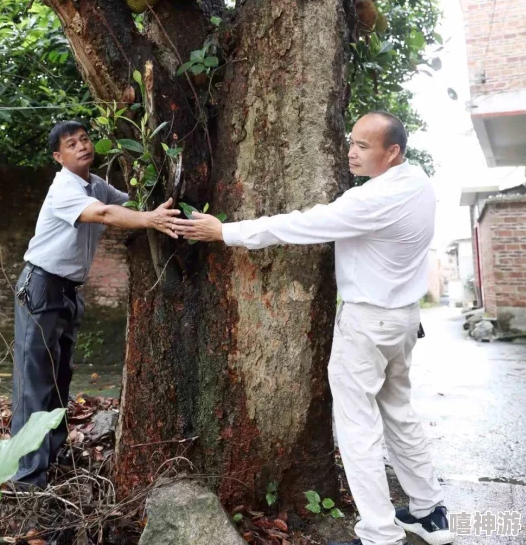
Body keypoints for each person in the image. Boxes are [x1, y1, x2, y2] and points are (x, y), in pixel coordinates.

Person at [174, 111, 454, 545]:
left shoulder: (371, 200)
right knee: (399, 414)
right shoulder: (418, 181)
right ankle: (429, 513)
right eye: (352, 142)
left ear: (392, 152)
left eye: (364, 146)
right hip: (402, 320)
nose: (351, 152)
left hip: (367, 322)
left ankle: (380, 533)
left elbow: (301, 224)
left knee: (358, 427)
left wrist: (224, 231)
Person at [11, 120, 180, 489]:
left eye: (85, 139)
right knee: (34, 385)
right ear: (59, 156)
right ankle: (27, 479)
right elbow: (104, 214)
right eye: (72, 144)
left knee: (59, 382)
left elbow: (126, 204)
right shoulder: (64, 189)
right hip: (40, 288)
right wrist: (150, 220)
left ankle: (50, 460)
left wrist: (163, 206)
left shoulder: (95, 184)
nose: (82, 146)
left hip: (68, 292)